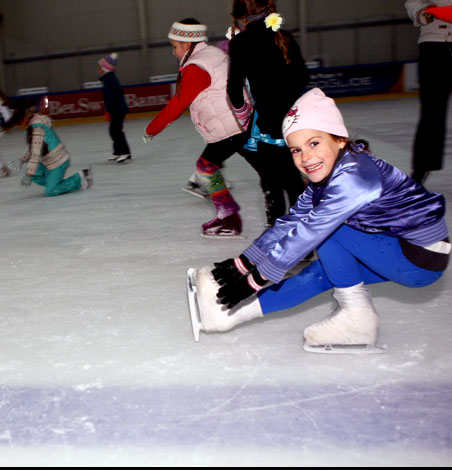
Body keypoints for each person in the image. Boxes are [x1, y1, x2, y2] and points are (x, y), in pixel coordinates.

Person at [190, 88, 450, 352]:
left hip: (420, 255)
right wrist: (240, 264)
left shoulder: (356, 178)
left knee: (327, 231)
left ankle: (356, 315)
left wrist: (253, 280)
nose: (305, 158)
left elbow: (312, 229)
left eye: (314, 143)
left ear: (339, 139)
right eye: (295, 150)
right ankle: (227, 316)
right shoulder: (329, 177)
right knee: (322, 273)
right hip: (401, 251)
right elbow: (291, 220)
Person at [143, 18, 253, 238]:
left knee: (206, 167)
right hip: (240, 121)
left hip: (230, 126)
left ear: (186, 43)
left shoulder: (197, 66)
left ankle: (230, 218)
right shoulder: (213, 54)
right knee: (267, 165)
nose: (173, 52)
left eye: (174, 46)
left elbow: (179, 103)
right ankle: (229, 216)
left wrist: (152, 129)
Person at [227, 0, 309, 226]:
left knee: (271, 179)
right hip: (294, 119)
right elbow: (303, 76)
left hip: (266, 120)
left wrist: (244, 115)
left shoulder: (240, 42)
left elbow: (234, 89)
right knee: (293, 177)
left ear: (242, 16)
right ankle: (300, 233)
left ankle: (275, 231)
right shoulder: (285, 36)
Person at [6, 97, 93, 196]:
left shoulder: (36, 128)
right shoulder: (34, 123)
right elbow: (33, 147)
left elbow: (35, 153)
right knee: (34, 174)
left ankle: (80, 178)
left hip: (58, 162)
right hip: (47, 161)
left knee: (50, 191)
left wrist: (29, 173)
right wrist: (22, 159)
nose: (19, 124)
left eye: (20, 121)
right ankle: (53, 183)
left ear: (27, 115)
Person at [406, 0, 452, 184]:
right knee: (432, 111)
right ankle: (420, 170)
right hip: (433, 45)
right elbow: (412, 2)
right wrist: (420, 12)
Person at [97, 53, 132, 164]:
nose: (98, 70)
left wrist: (108, 110)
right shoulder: (109, 79)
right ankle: (118, 152)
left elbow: (110, 97)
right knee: (115, 131)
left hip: (117, 109)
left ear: (105, 68)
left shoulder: (109, 80)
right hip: (117, 109)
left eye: (99, 67)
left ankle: (124, 152)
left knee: (116, 131)